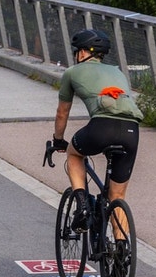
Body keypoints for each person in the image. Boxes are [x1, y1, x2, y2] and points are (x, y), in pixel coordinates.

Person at [51, 27, 142, 257]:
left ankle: (81, 205)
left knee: (74, 154)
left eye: (77, 51)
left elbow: (62, 113)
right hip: (131, 130)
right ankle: (121, 253)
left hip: (101, 127)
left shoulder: (72, 72)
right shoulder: (117, 72)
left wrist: (58, 140)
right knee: (117, 196)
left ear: (82, 53)